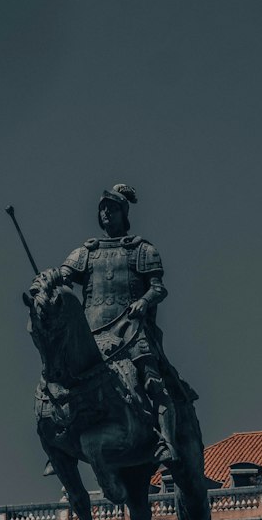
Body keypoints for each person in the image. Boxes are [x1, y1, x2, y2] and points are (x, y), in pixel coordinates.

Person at [58, 183, 175, 457]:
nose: (105, 214)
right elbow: (64, 276)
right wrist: (52, 278)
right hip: (92, 334)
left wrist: (143, 302)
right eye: (102, 209)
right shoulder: (86, 252)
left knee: (152, 381)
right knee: (60, 378)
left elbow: (158, 288)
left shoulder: (141, 250)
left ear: (123, 212)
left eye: (111, 208)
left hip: (130, 330)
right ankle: (59, 439)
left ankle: (166, 442)